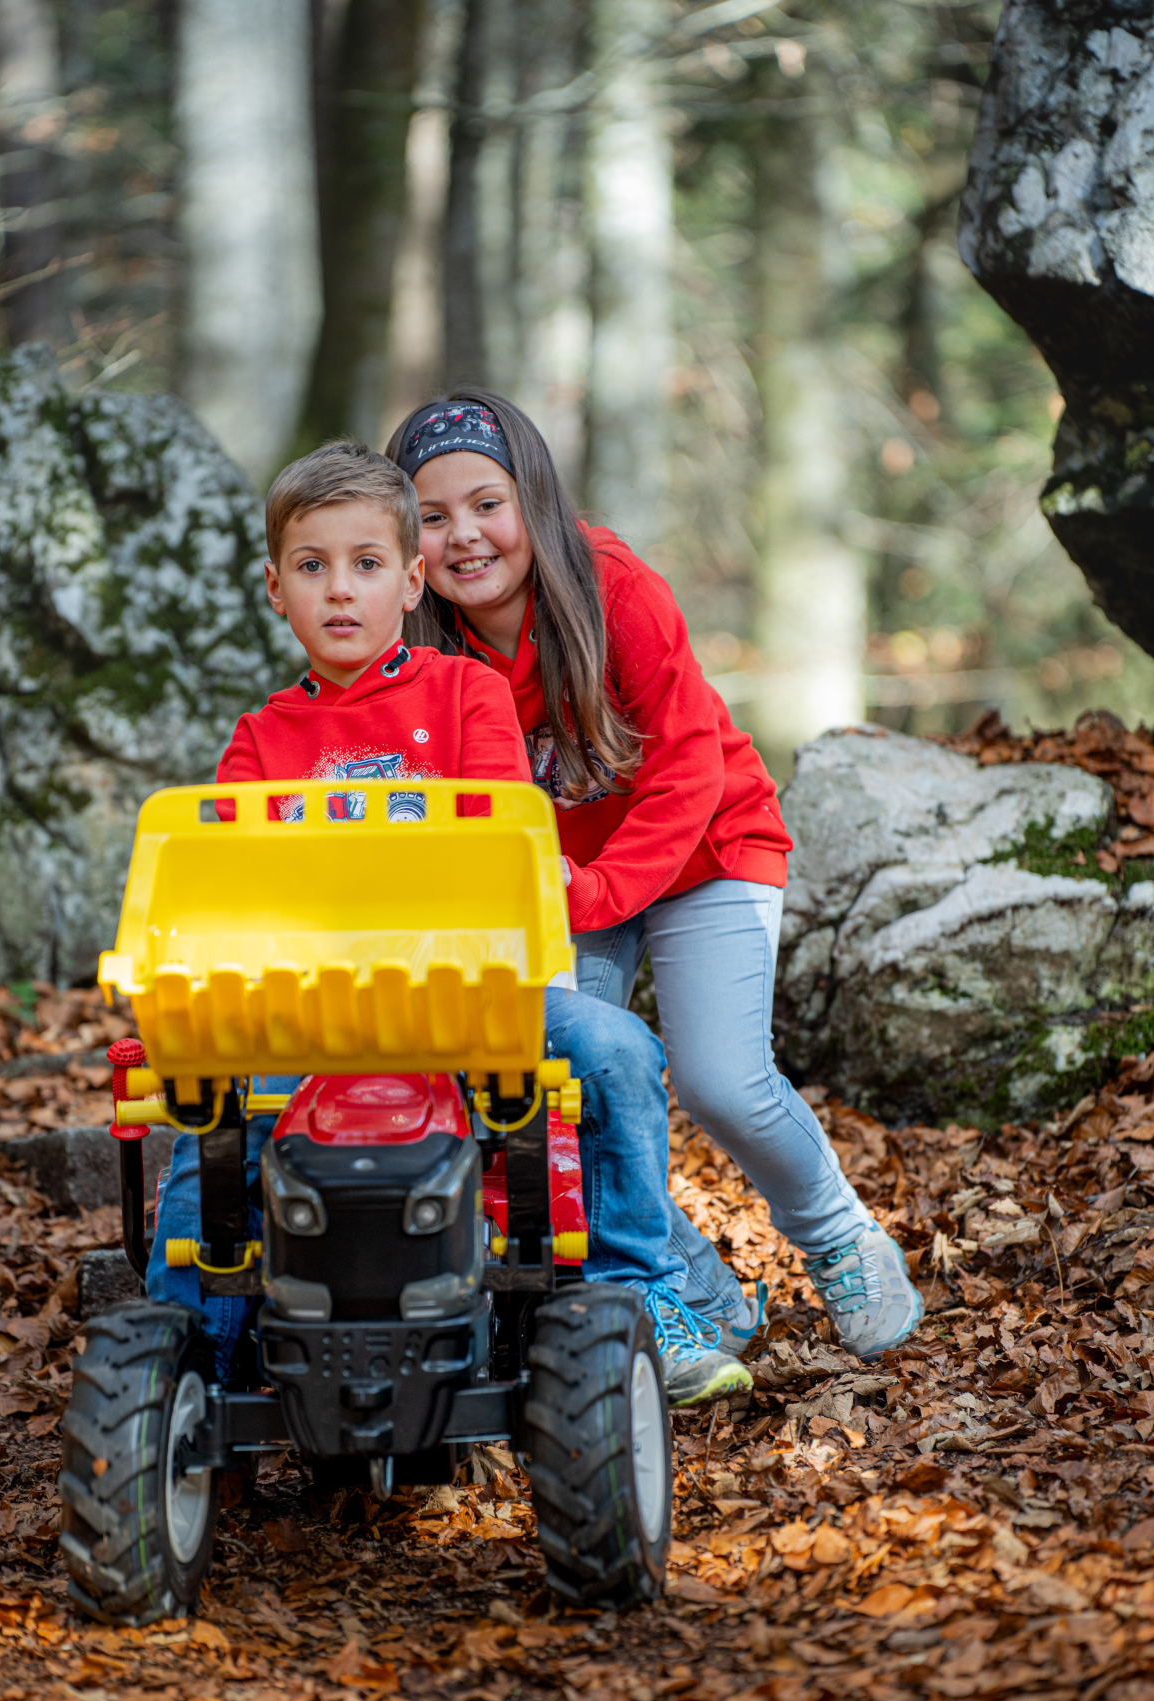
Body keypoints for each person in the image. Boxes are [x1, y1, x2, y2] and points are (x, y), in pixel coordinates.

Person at [143, 440, 753, 1408]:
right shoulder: (262, 739)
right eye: (311, 568)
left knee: (617, 1050)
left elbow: (504, 841)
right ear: (274, 589)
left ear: (412, 579)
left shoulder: (463, 696)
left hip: (468, 995)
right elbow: (227, 891)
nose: (339, 592)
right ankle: (189, 1367)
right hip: (308, 1012)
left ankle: (641, 1290)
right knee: (208, 1123)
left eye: (366, 565)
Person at [386, 393, 923, 1362]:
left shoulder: (610, 588)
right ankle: (695, 1286)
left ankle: (840, 1234)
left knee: (721, 1080)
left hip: (706, 850)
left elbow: (685, 771)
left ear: (533, 502)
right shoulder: (426, 651)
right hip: (556, 884)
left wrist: (589, 896)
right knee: (557, 1083)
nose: (464, 535)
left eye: (485, 503)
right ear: (409, 540)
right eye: (433, 515)